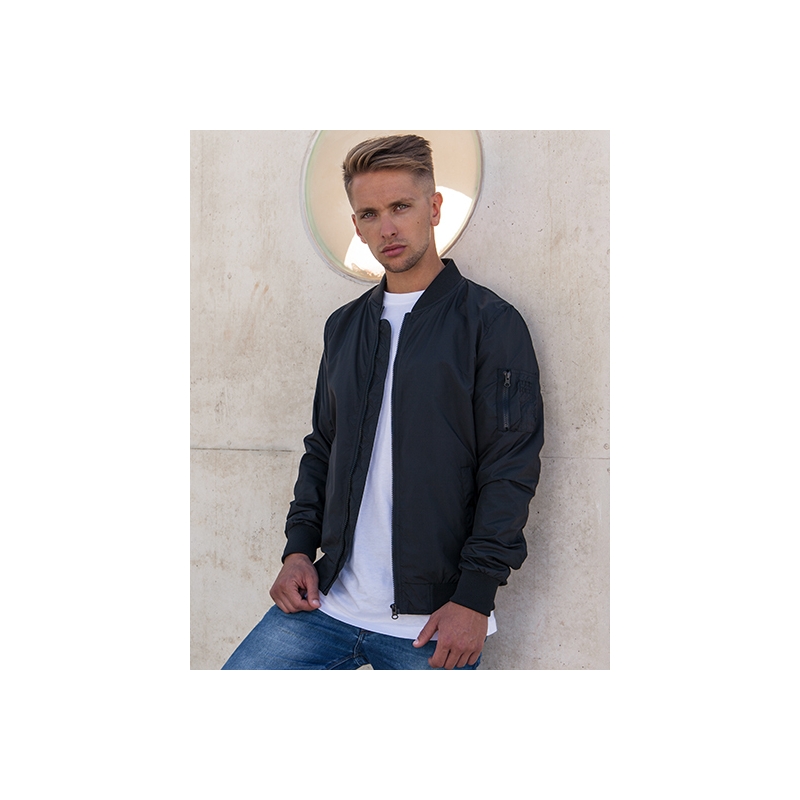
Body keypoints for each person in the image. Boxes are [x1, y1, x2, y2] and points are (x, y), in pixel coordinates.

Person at [222, 134, 544, 670]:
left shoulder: (491, 324)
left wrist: (475, 597)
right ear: (356, 225)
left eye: (401, 207)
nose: (387, 228)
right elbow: (322, 447)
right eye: (370, 214)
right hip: (327, 603)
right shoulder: (345, 327)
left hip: (434, 621)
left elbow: (509, 468)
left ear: (434, 208)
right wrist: (298, 549)